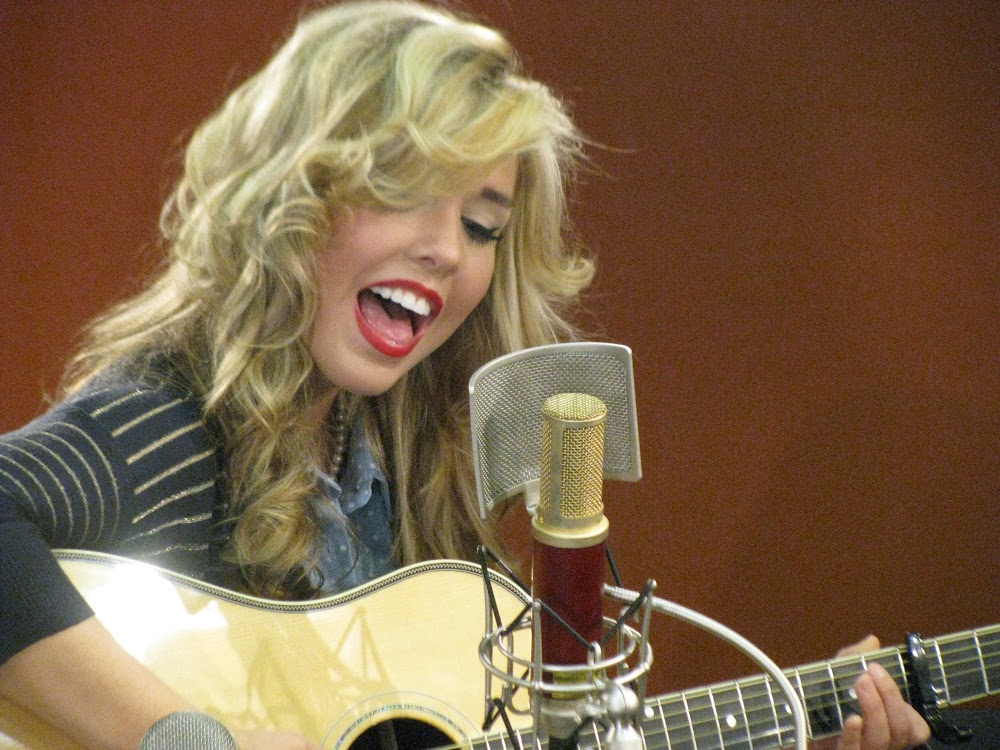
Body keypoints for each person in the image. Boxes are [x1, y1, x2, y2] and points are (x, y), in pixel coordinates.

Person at [0, 2, 932, 750]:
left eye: (482, 226)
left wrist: (792, 725)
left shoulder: (397, 461)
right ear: (292, 190)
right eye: (406, 190)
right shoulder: (172, 418)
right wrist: (190, 738)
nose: (448, 250)